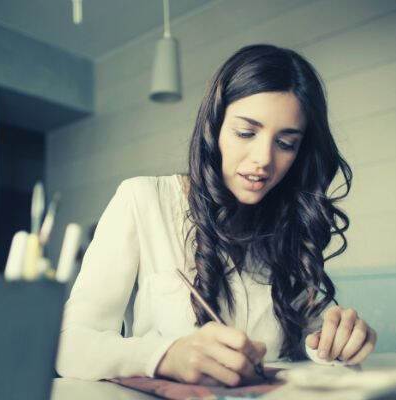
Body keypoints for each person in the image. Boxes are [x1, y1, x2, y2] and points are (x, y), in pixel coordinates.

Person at [55, 44, 377, 386]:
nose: (263, 159)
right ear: (214, 127)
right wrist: (166, 356)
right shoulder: (143, 199)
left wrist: (339, 341)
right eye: (246, 133)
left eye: (286, 143)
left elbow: (310, 344)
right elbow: (69, 344)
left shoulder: (289, 223)